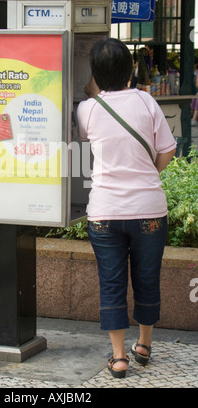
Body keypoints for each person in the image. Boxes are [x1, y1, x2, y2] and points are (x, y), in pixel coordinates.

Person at [77, 38, 176, 379]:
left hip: (105, 212)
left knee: (112, 282)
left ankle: (119, 357)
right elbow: (167, 150)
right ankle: (144, 345)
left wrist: (94, 90)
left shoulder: (87, 109)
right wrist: (147, 175)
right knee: (147, 277)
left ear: (95, 73)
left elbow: (88, 137)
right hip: (149, 209)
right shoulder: (146, 101)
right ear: (132, 69)